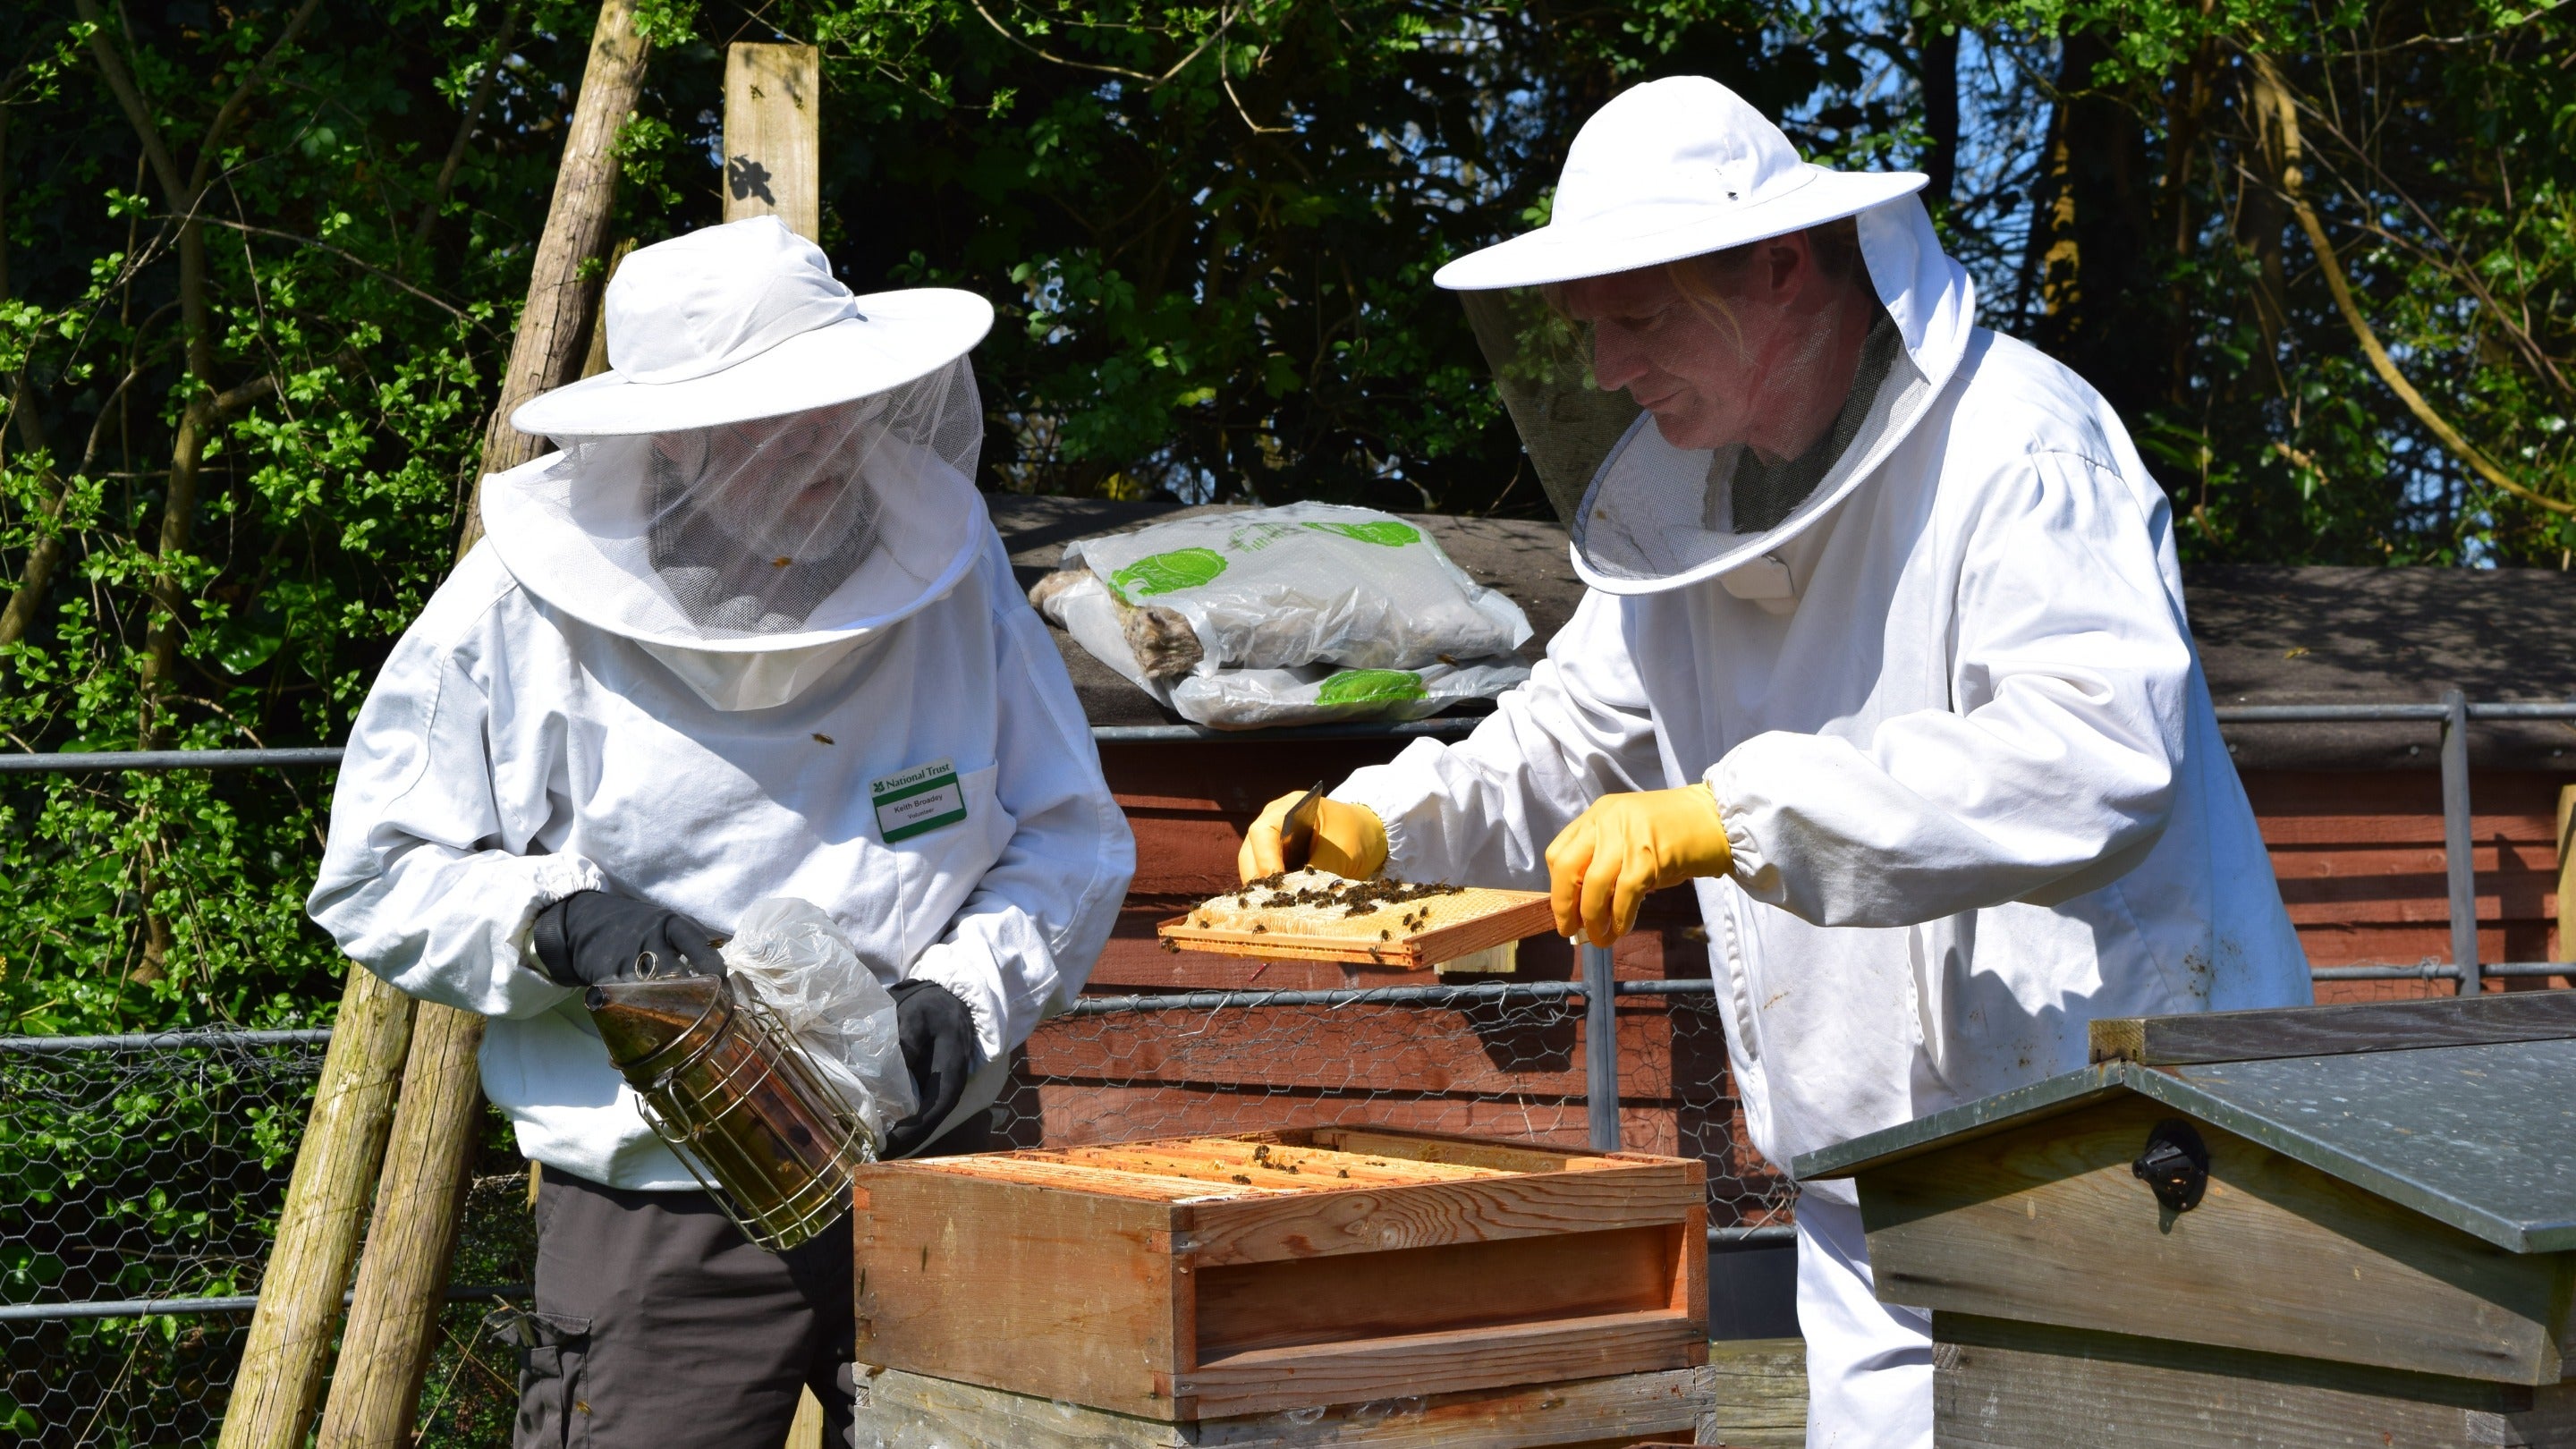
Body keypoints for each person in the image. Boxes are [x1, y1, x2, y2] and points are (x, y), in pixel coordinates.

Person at [1238, 78, 2308, 1448]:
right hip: (1868, 1199)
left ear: (1783, 270)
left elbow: (2094, 750)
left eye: (1640, 318)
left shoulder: (2018, 447)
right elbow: (1567, 739)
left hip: (2125, 1170)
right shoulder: (1684, 510)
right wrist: (1382, 822)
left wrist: (1731, 813)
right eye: (1589, 332)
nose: (1612, 367)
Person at [309, 217, 1136, 1449]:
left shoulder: (946, 563)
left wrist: (967, 998)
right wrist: (556, 924)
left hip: (941, 1166)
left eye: (838, 404)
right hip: (663, 1205)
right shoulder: (518, 602)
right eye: (777, 416)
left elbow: (1071, 835)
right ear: (670, 437)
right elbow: (378, 875)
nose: (826, 444)